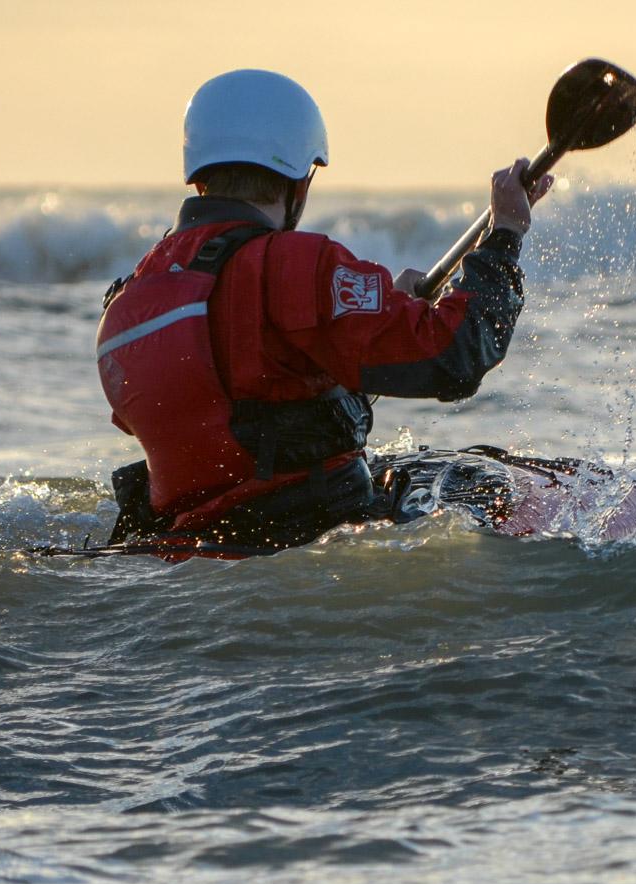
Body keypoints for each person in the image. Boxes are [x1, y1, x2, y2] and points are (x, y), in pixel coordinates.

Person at [96, 68, 551, 551]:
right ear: (299, 183)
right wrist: (505, 235)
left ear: (200, 176)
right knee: (479, 476)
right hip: (310, 530)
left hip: (193, 541)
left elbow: (249, 377)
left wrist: (392, 310)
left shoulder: (130, 300)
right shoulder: (293, 266)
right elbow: (456, 357)